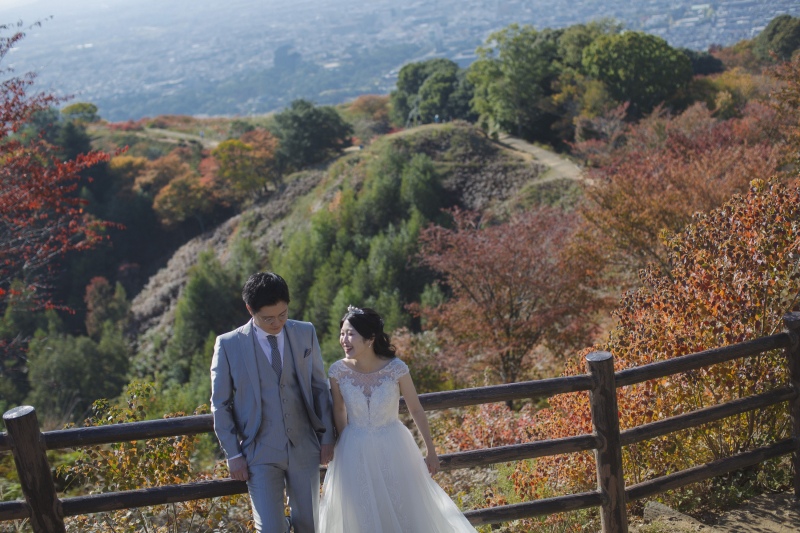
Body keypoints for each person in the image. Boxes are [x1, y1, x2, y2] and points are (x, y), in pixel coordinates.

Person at [319, 306, 478, 533]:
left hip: (393, 446)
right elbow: (338, 409)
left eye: (350, 333)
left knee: (403, 507)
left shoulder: (396, 368)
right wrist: (344, 445)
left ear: (370, 338)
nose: (344, 339)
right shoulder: (337, 371)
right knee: (361, 512)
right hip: (353, 449)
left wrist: (431, 451)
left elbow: (416, 409)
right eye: (342, 333)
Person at [210, 272, 335, 533]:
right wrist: (233, 454)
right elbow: (220, 404)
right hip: (259, 451)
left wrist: (326, 437)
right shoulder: (228, 344)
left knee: (310, 526)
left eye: (283, 314)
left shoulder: (305, 332)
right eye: (268, 318)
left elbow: (319, 387)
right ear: (249, 309)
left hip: (304, 446)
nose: (277, 322)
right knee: (270, 529)